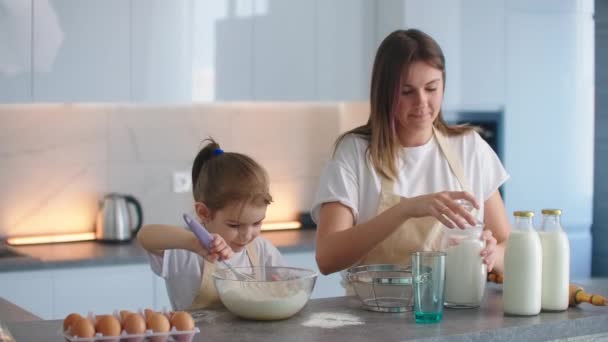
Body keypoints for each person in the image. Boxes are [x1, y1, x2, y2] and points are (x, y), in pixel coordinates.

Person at [311, 29, 511, 282]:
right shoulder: (354, 152)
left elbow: (507, 246)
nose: (422, 102)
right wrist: (405, 209)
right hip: (377, 314)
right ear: (385, 93)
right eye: (407, 92)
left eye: (431, 88)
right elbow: (327, 258)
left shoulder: (470, 147)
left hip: (459, 314)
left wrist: (493, 254)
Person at [138, 138, 284, 310]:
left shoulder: (261, 251)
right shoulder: (187, 254)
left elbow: (283, 285)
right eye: (235, 225)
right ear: (204, 213)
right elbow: (145, 236)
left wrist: (279, 288)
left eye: (257, 223)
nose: (247, 235)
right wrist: (193, 243)